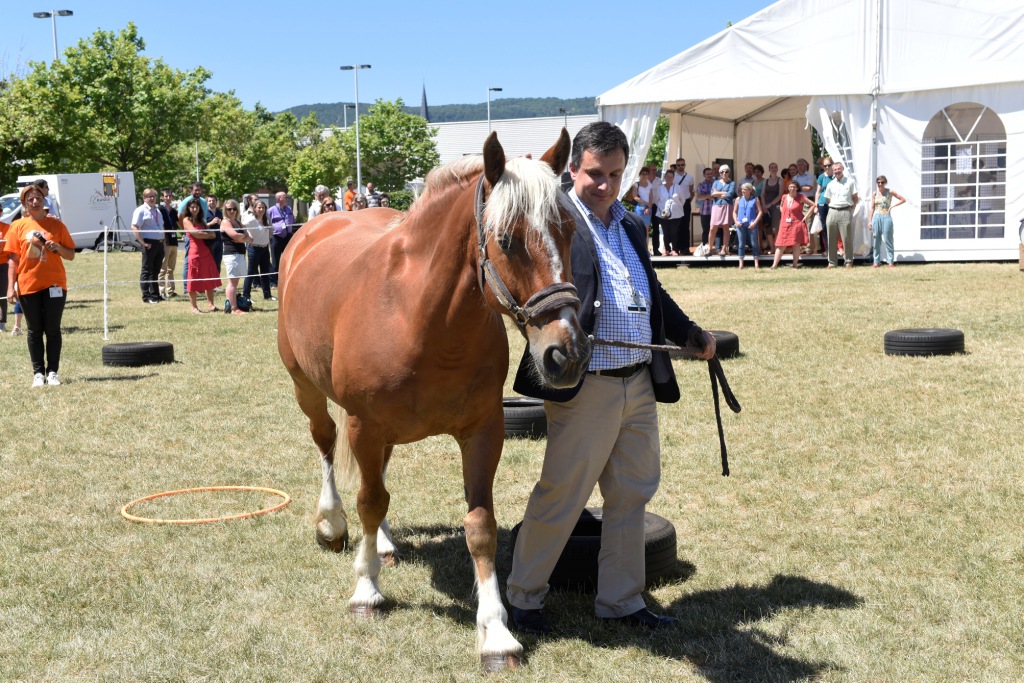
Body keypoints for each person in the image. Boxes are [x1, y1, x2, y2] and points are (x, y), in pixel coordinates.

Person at [506, 121, 716, 636]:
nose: (605, 184)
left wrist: (688, 331)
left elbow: (653, 291)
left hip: (638, 381)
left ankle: (621, 600)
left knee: (630, 495)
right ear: (573, 169)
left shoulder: (631, 226)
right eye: (595, 174)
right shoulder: (553, 222)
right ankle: (522, 600)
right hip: (586, 385)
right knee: (563, 495)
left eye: (615, 174)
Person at [2, 184, 76, 386]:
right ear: (24, 203)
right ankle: (38, 374)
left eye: (38, 198)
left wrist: (58, 247)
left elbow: (70, 255)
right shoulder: (17, 226)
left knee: (52, 329)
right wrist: (10, 287)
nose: (35, 202)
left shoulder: (57, 225)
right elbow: (13, 260)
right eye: (30, 199)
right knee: (34, 330)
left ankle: (53, 372)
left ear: (44, 200)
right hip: (28, 284)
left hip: (55, 283)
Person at [180, 199, 221, 313]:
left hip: (206, 252)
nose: (194, 209)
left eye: (196, 207)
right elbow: (196, 234)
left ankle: (211, 305)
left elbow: (210, 233)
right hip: (194, 252)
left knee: (209, 278)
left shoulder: (201, 220)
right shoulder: (187, 220)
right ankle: (194, 307)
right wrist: (209, 235)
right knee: (193, 280)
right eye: (192, 207)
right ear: (188, 208)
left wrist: (209, 234)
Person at [130, 189, 166, 304]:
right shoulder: (140, 210)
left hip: (159, 243)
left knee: (156, 270)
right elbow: (134, 227)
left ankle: (155, 294)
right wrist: (142, 243)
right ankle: (146, 296)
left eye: (153, 196)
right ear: (144, 198)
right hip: (149, 242)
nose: (152, 198)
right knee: (147, 269)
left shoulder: (157, 210)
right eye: (149, 196)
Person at [771, 180, 815, 269]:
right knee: (781, 244)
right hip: (785, 224)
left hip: (796, 223)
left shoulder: (801, 197)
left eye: (794, 187)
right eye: (790, 187)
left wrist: (805, 216)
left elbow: (813, 205)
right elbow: (781, 206)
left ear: (797, 188)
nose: (792, 188)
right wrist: (783, 211)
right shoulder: (784, 197)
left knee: (796, 244)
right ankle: (774, 265)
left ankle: (795, 265)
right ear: (788, 188)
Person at [220, 199, 253, 314]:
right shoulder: (225, 222)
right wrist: (243, 237)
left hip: (240, 253)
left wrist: (243, 237)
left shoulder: (238, 222)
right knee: (232, 282)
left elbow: (247, 235)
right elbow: (235, 235)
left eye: (234, 208)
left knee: (235, 281)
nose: (232, 211)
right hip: (231, 254)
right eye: (229, 209)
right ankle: (234, 309)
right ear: (225, 210)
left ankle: (232, 305)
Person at [823, 162, 859, 268]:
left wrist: (851, 208)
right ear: (832, 171)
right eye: (835, 169)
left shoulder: (850, 182)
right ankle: (832, 262)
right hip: (832, 211)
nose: (837, 171)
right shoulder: (830, 184)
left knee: (846, 238)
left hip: (845, 211)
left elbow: (855, 198)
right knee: (831, 238)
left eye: (839, 169)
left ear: (842, 169)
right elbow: (828, 199)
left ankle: (848, 261)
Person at [869, 175, 906, 268]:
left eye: (882, 182)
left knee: (888, 239)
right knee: (876, 240)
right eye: (878, 182)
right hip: (876, 217)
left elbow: (903, 199)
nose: (880, 184)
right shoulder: (874, 194)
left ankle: (890, 261)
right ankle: (876, 261)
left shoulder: (890, 192)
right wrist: (869, 221)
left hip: (886, 216)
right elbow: (872, 207)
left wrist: (892, 206)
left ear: (885, 183)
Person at [241, 199, 274, 302]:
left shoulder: (265, 220)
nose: (261, 209)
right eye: (259, 207)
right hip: (254, 249)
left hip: (265, 249)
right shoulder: (251, 219)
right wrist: (247, 237)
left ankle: (267, 295)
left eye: (263, 207)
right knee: (251, 273)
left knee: (265, 273)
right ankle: (246, 296)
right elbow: (241, 226)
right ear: (254, 208)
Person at [708, 165, 736, 256]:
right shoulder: (715, 182)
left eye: (726, 171)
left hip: (727, 206)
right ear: (720, 173)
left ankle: (723, 249)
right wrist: (723, 193)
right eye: (722, 172)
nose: (724, 173)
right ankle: (709, 249)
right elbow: (712, 194)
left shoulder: (732, 183)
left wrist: (718, 193)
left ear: (729, 172)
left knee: (725, 227)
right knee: (712, 228)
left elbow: (730, 194)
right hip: (716, 206)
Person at [733, 183, 763, 270]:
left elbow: (760, 212)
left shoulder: (755, 199)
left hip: (752, 225)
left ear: (750, 190)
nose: (743, 191)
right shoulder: (738, 199)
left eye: (745, 189)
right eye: (742, 189)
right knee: (741, 244)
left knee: (754, 244)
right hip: (740, 225)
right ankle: (741, 264)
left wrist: (755, 222)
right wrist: (736, 221)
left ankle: (756, 264)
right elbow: (734, 212)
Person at [654, 169, 684, 256]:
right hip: (662, 214)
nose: (669, 178)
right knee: (665, 231)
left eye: (671, 177)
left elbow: (683, 200)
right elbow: (656, 200)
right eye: (667, 176)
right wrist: (663, 209)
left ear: (673, 178)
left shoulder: (678, 187)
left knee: (674, 231)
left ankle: (675, 249)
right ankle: (667, 249)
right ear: (665, 177)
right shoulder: (660, 188)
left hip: (676, 214)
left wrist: (674, 207)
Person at [268, 191, 294, 288]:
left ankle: (288, 278)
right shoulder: (271, 210)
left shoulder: (289, 209)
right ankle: (274, 282)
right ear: (279, 199)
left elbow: (292, 220)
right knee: (276, 260)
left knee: (289, 258)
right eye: (285, 197)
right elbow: (267, 223)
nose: (287, 199)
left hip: (287, 236)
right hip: (276, 238)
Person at [157, 189, 179, 299]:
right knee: (163, 268)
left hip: (174, 240)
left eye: (170, 196)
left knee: (171, 268)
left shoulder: (174, 211)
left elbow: (178, 224)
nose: (168, 198)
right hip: (165, 240)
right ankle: (161, 291)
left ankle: (171, 291)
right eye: (166, 196)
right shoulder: (159, 210)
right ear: (162, 197)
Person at [813, 157, 834, 256]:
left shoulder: (835, 176)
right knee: (825, 227)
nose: (827, 167)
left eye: (829, 165)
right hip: (822, 203)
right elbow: (818, 192)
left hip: (833, 203)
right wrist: (816, 205)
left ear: (832, 164)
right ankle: (828, 249)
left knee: (834, 226)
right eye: (825, 165)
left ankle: (837, 248)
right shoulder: (821, 177)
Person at [673, 158, 695, 250]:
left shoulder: (690, 177)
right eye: (678, 165)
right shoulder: (672, 176)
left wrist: (688, 201)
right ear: (676, 166)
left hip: (686, 202)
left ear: (685, 165)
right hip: (675, 203)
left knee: (685, 226)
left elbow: (692, 191)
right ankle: (676, 248)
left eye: (682, 164)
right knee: (676, 226)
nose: (680, 166)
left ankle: (685, 248)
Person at [762, 163, 784, 255]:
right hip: (766, 207)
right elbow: (762, 194)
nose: (773, 169)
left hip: (776, 206)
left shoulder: (780, 180)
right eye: (772, 167)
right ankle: (772, 248)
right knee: (768, 228)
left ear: (777, 169)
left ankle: (777, 247)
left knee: (776, 228)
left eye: (775, 167)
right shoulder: (766, 181)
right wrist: (764, 205)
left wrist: (770, 204)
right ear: (769, 169)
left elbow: (780, 194)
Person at [694, 167, 717, 253]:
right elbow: (699, 198)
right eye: (707, 174)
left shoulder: (716, 184)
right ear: (704, 175)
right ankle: (705, 247)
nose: (709, 175)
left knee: (715, 230)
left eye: (711, 174)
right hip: (704, 211)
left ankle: (714, 247)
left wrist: (705, 196)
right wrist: (710, 195)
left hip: (715, 211)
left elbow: (716, 197)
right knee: (705, 230)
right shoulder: (700, 185)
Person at [630, 167, 654, 235]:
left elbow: (651, 196)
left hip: (648, 207)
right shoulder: (636, 184)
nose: (644, 175)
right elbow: (635, 197)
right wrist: (646, 203)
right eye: (643, 173)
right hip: (639, 207)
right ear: (640, 174)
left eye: (646, 174)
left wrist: (649, 207)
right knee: (638, 227)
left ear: (648, 175)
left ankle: (645, 245)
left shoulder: (649, 184)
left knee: (646, 229)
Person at [207, 194, 225, 274]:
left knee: (218, 262)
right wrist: (211, 223)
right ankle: (209, 284)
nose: (212, 202)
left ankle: (216, 283)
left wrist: (221, 223)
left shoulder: (220, 212)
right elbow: (201, 226)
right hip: (208, 241)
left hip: (219, 240)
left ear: (216, 202)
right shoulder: (204, 213)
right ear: (207, 202)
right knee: (209, 262)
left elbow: (225, 225)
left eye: (213, 201)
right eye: (210, 201)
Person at [0, 218, 9, 332]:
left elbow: (7, 248)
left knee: (2, 293)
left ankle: (2, 322)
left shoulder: (7, 228)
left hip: (3, 264)